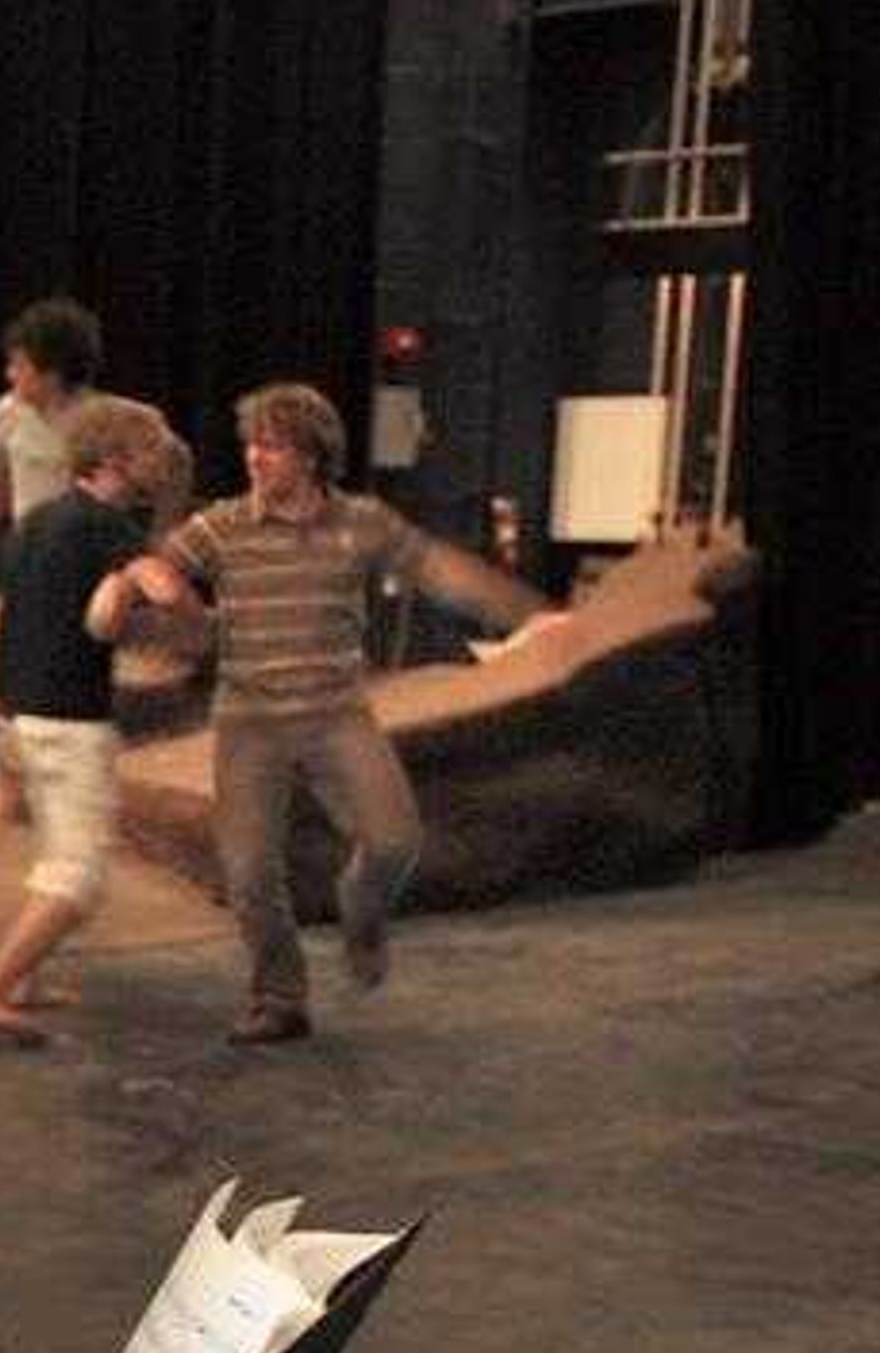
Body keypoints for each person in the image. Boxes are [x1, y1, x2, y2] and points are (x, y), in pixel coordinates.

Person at [97, 381, 560, 1044]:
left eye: (274, 446)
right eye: (252, 444)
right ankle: (279, 997)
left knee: (396, 841)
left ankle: (361, 910)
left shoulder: (362, 522)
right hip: (250, 718)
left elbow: (440, 570)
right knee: (250, 871)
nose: (256, 457)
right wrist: (130, 580)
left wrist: (531, 613)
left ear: (312, 456)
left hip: (335, 712)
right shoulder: (221, 526)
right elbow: (152, 564)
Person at [0, 396, 182, 1044]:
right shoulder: (108, 528)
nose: (161, 460)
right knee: (78, 879)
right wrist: (173, 596)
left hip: (26, 718)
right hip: (70, 725)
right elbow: (161, 586)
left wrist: (1, 747)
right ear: (114, 461)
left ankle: (22, 981)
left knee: (55, 854)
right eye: (150, 450)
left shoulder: (38, 522)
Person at [0, 298, 107, 836]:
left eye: (21, 365)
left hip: (78, 563)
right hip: (27, 558)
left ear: (52, 371)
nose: (11, 374)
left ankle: (13, 779)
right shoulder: (7, 410)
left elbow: (168, 458)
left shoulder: (99, 420)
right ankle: (8, 772)